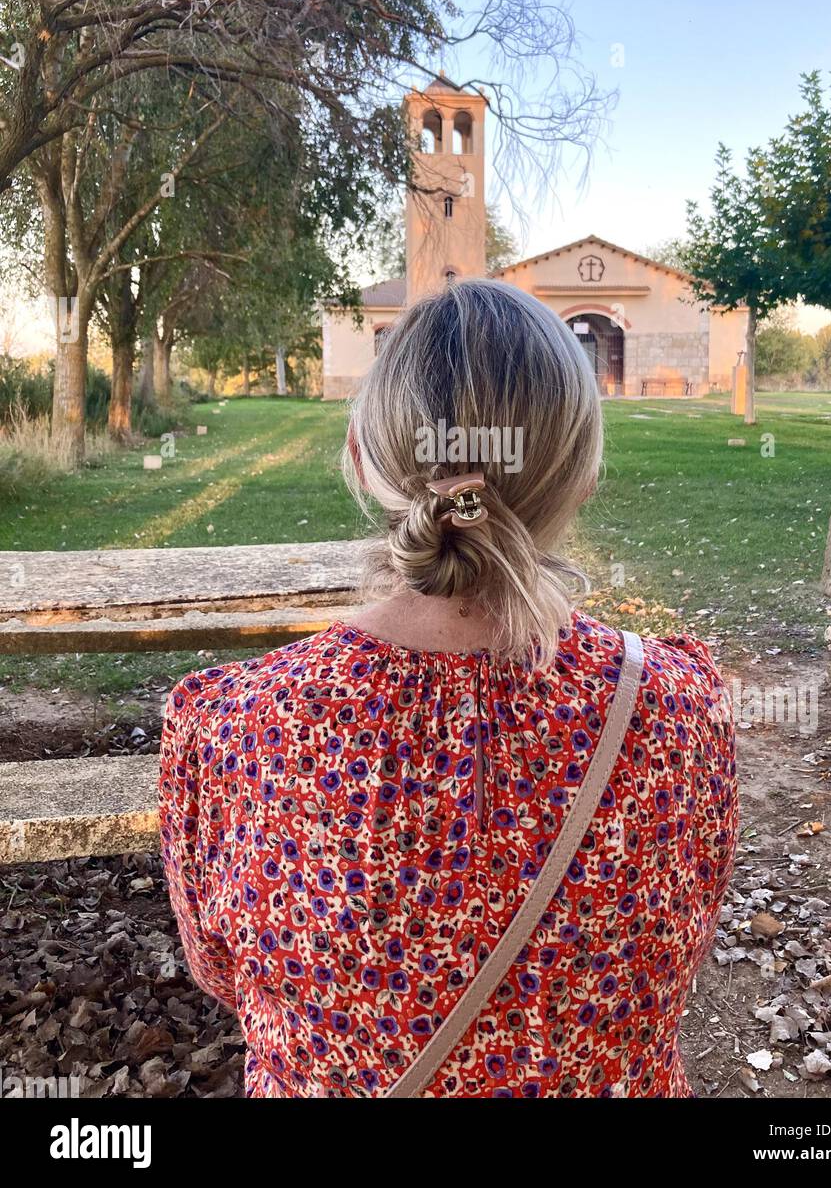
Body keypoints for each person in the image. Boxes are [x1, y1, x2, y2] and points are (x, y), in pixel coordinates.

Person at [159, 278, 738, 1097]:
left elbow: (221, 972)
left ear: (363, 459)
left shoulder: (236, 728)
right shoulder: (681, 710)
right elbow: (685, 946)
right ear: (583, 477)